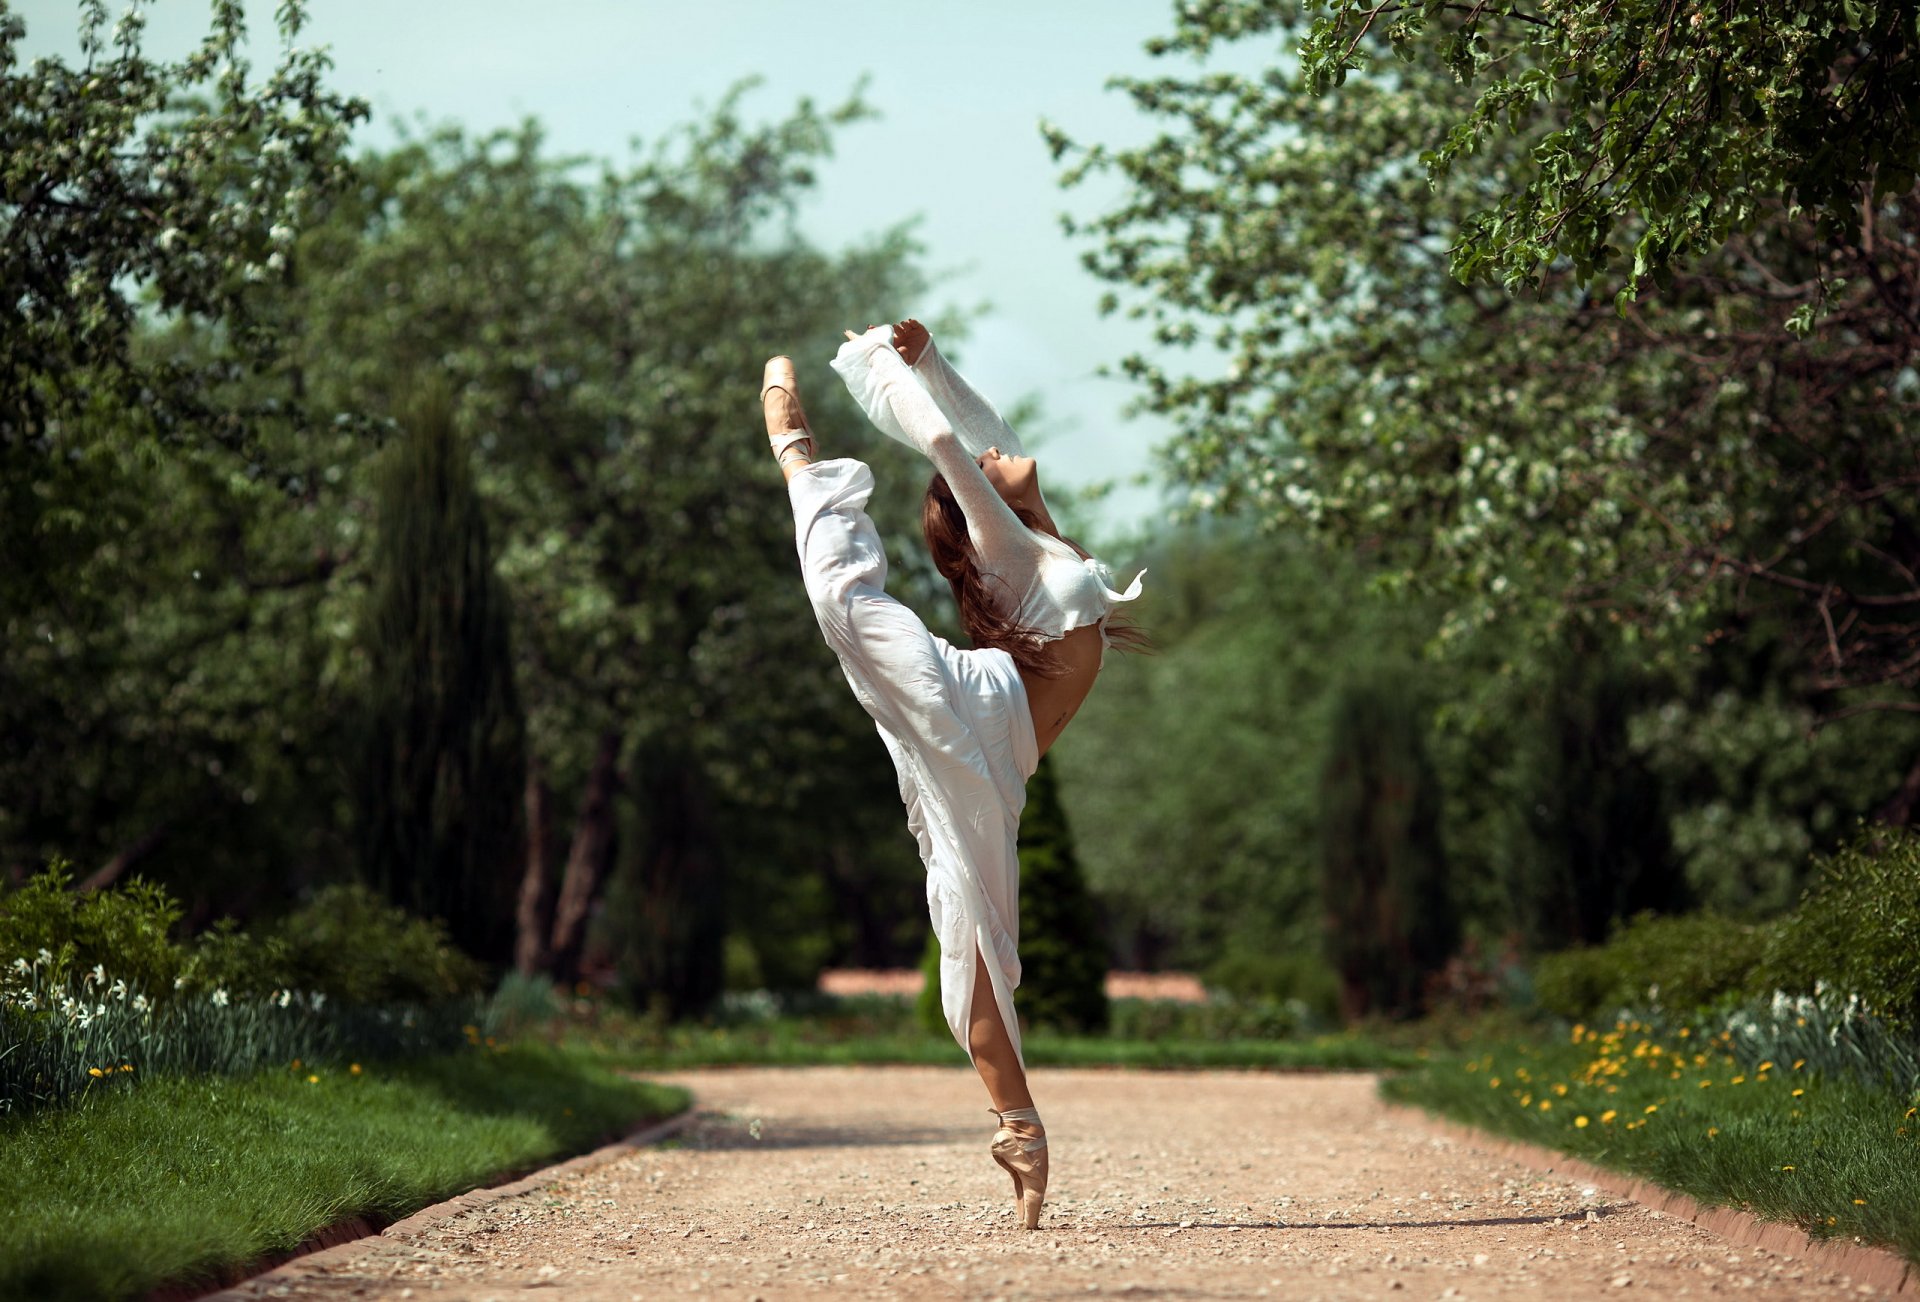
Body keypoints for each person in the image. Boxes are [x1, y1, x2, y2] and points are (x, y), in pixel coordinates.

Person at [758, 320, 1142, 1231]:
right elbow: (943, 439)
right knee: (843, 607)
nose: (997, 451)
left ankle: (1019, 1131)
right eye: (980, 468)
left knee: (974, 938)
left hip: (996, 752)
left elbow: (976, 429)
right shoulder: (1011, 549)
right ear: (974, 515)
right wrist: (874, 369)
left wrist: (926, 357)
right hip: (978, 706)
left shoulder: (1037, 548)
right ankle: (797, 464)